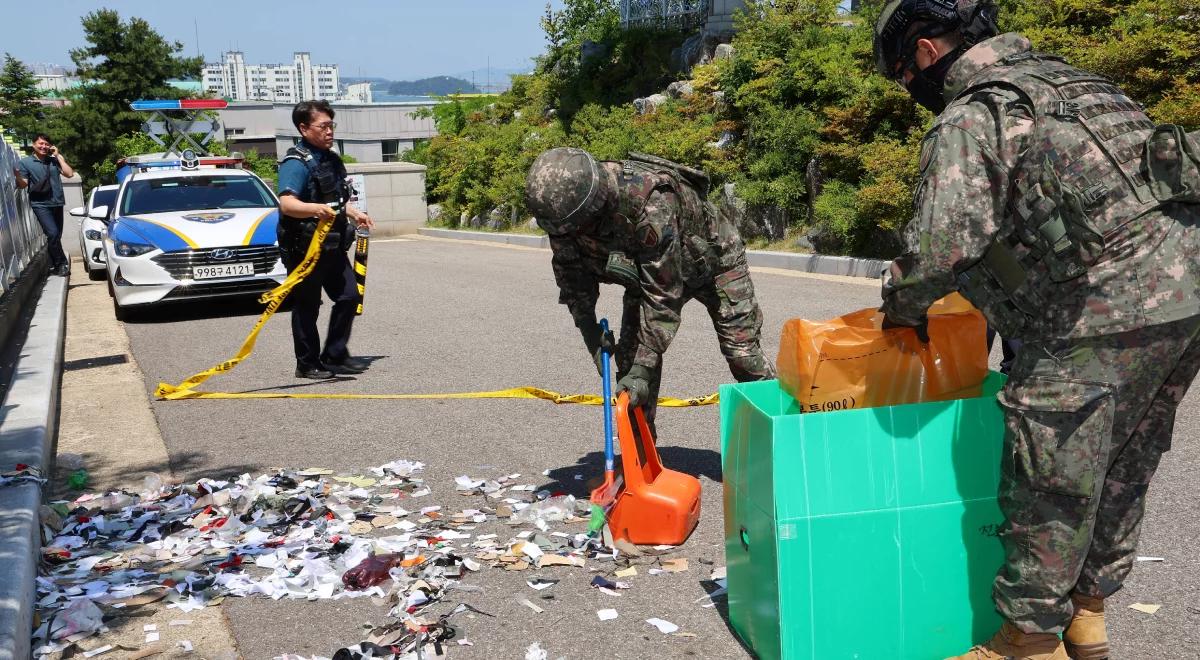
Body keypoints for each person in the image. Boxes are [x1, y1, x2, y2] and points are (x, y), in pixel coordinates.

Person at [873, 1, 1200, 658]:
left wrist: (903, 308)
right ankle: (1088, 615)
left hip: (1099, 310)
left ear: (928, 55)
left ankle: (1025, 641)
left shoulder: (976, 115)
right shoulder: (1078, 83)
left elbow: (944, 245)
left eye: (906, 76)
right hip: (1187, 294)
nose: (914, 92)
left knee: (1051, 471)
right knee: (1123, 462)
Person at [524, 147, 775, 424]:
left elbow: (663, 296)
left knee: (743, 357)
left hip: (715, 263)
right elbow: (571, 274)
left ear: (593, 208)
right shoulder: (565, 216)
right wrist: (589, 331)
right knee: (629, 379)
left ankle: (789, 434)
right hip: (646, 274)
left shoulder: (650, 204)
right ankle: (640, 462)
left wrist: (644, 369)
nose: (566, 236)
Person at [277, 100, 374, 379]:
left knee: (348, 296)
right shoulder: (295, 163)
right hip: (304, 249)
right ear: (304, 128)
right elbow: (287, 204)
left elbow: (334, 201)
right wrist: (314, 210)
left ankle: (334, 353)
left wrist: (354, 213)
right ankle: (307, 364)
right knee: (307, 305)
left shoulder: (330, 158)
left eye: (332, 125)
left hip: (332, 246)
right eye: (324, 126)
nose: (330, 131)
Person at [14, 133, 75, 276]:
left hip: (57, 202)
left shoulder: (53, 161)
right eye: (41, 143)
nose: (44, 146)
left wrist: (58, 156)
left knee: (56, 236)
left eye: (47, 144)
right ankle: (61, 264)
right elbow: (23, 185)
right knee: (52, 233)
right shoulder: (25, 163)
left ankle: (54, 263)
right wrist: (17, 176)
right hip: (40, 204)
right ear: (34, 144)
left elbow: (70, 174)